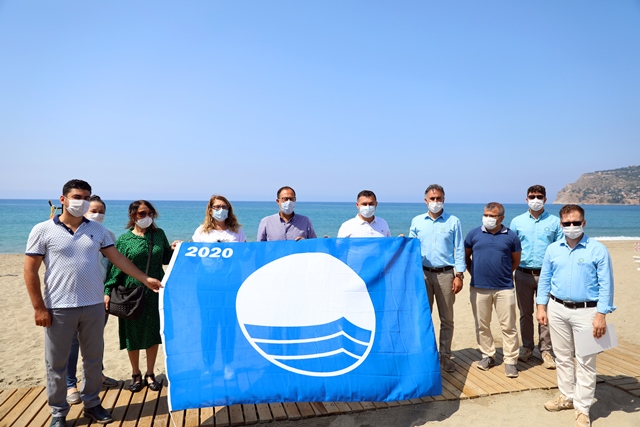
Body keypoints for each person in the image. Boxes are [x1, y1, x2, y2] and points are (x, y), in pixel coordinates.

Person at [24, 180, 163, 427]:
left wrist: (144, 278)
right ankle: (58, 412)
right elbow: (30, 270)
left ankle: (92, 403)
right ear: (63, 199)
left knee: (93, 360)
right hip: (59, 307)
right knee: (56, 363)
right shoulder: (42, 230)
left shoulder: (98, 231)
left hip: (94, 306)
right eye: (77, 197)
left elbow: (117, 259)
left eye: (86, 197)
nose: (83, 202)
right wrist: (39, 307)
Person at [536, 204, 615, 427]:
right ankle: (567, 396)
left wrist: (601, 314)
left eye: (576, 222)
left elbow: (606, 284)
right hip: (557, 308)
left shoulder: (598, 250)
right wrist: (541, 307)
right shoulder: (553, 249)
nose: (571, 226)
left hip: (587, 311)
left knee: (586, 360)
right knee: (562, 357)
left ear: (584, 223)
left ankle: (582, 408)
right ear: (561, 224)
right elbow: (545, 279)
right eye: (567, 223)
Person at [104, 200, 177, 393]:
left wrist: (174, 249)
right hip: (131, 292)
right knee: (132, 334)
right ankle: (135, 373)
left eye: (150, 213)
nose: (147, 217)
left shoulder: (158, 234)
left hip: (155, 291)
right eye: (142, 213)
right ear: (133, 215)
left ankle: (150, 373)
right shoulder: (124, 240)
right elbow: (116, 268)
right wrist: (107, 291)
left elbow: (165, 259)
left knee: (153, 334)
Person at [65, 196, 119, 406]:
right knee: (72, 343)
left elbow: (113, 266)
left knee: (95, 342)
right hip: (72, 298)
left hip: (98, 298)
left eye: (101, 211)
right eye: (93, 210)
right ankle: (70, 385)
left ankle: (98, 376)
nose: (97, 214)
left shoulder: (108, 235)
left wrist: (107, 292)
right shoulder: (71, 234)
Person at [409, 184, 465, 373]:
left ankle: (445, 356)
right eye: (432, 199)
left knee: (447, 318)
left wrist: (459, 275)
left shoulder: (453, 221)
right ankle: (425, 355)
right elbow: (410, 248)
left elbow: (459, 249)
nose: (435, 202)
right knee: (423, 317)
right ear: (425, 201)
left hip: (446, 274)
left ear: (443, 199)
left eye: (438, 198)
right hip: (423, 274)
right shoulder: (417, 221)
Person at [464, 202, 522, 378]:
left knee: (509, 326)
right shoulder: (473, 234)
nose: (488, 218)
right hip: (479, 288)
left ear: (501, 218)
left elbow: (515, 260)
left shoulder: (511, 236)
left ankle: (510, 361)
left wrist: (503, 273)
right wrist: (475, 273)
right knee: (482, 325)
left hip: (504, 288)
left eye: (492, 216)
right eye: (486, 215)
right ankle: (488, 355)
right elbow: (466, 257)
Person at [510, 185, 563, 369]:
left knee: (546, 314)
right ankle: (527, 347)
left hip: (547, 276)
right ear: (526, 199)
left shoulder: (555, 222)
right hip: (523, 274)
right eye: (532, 196)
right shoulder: (517, 222)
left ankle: (546, 350)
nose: (535, 199)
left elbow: (560, 250)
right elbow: (511, 248)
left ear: (545, 199)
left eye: (539, 196)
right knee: (525, 313)